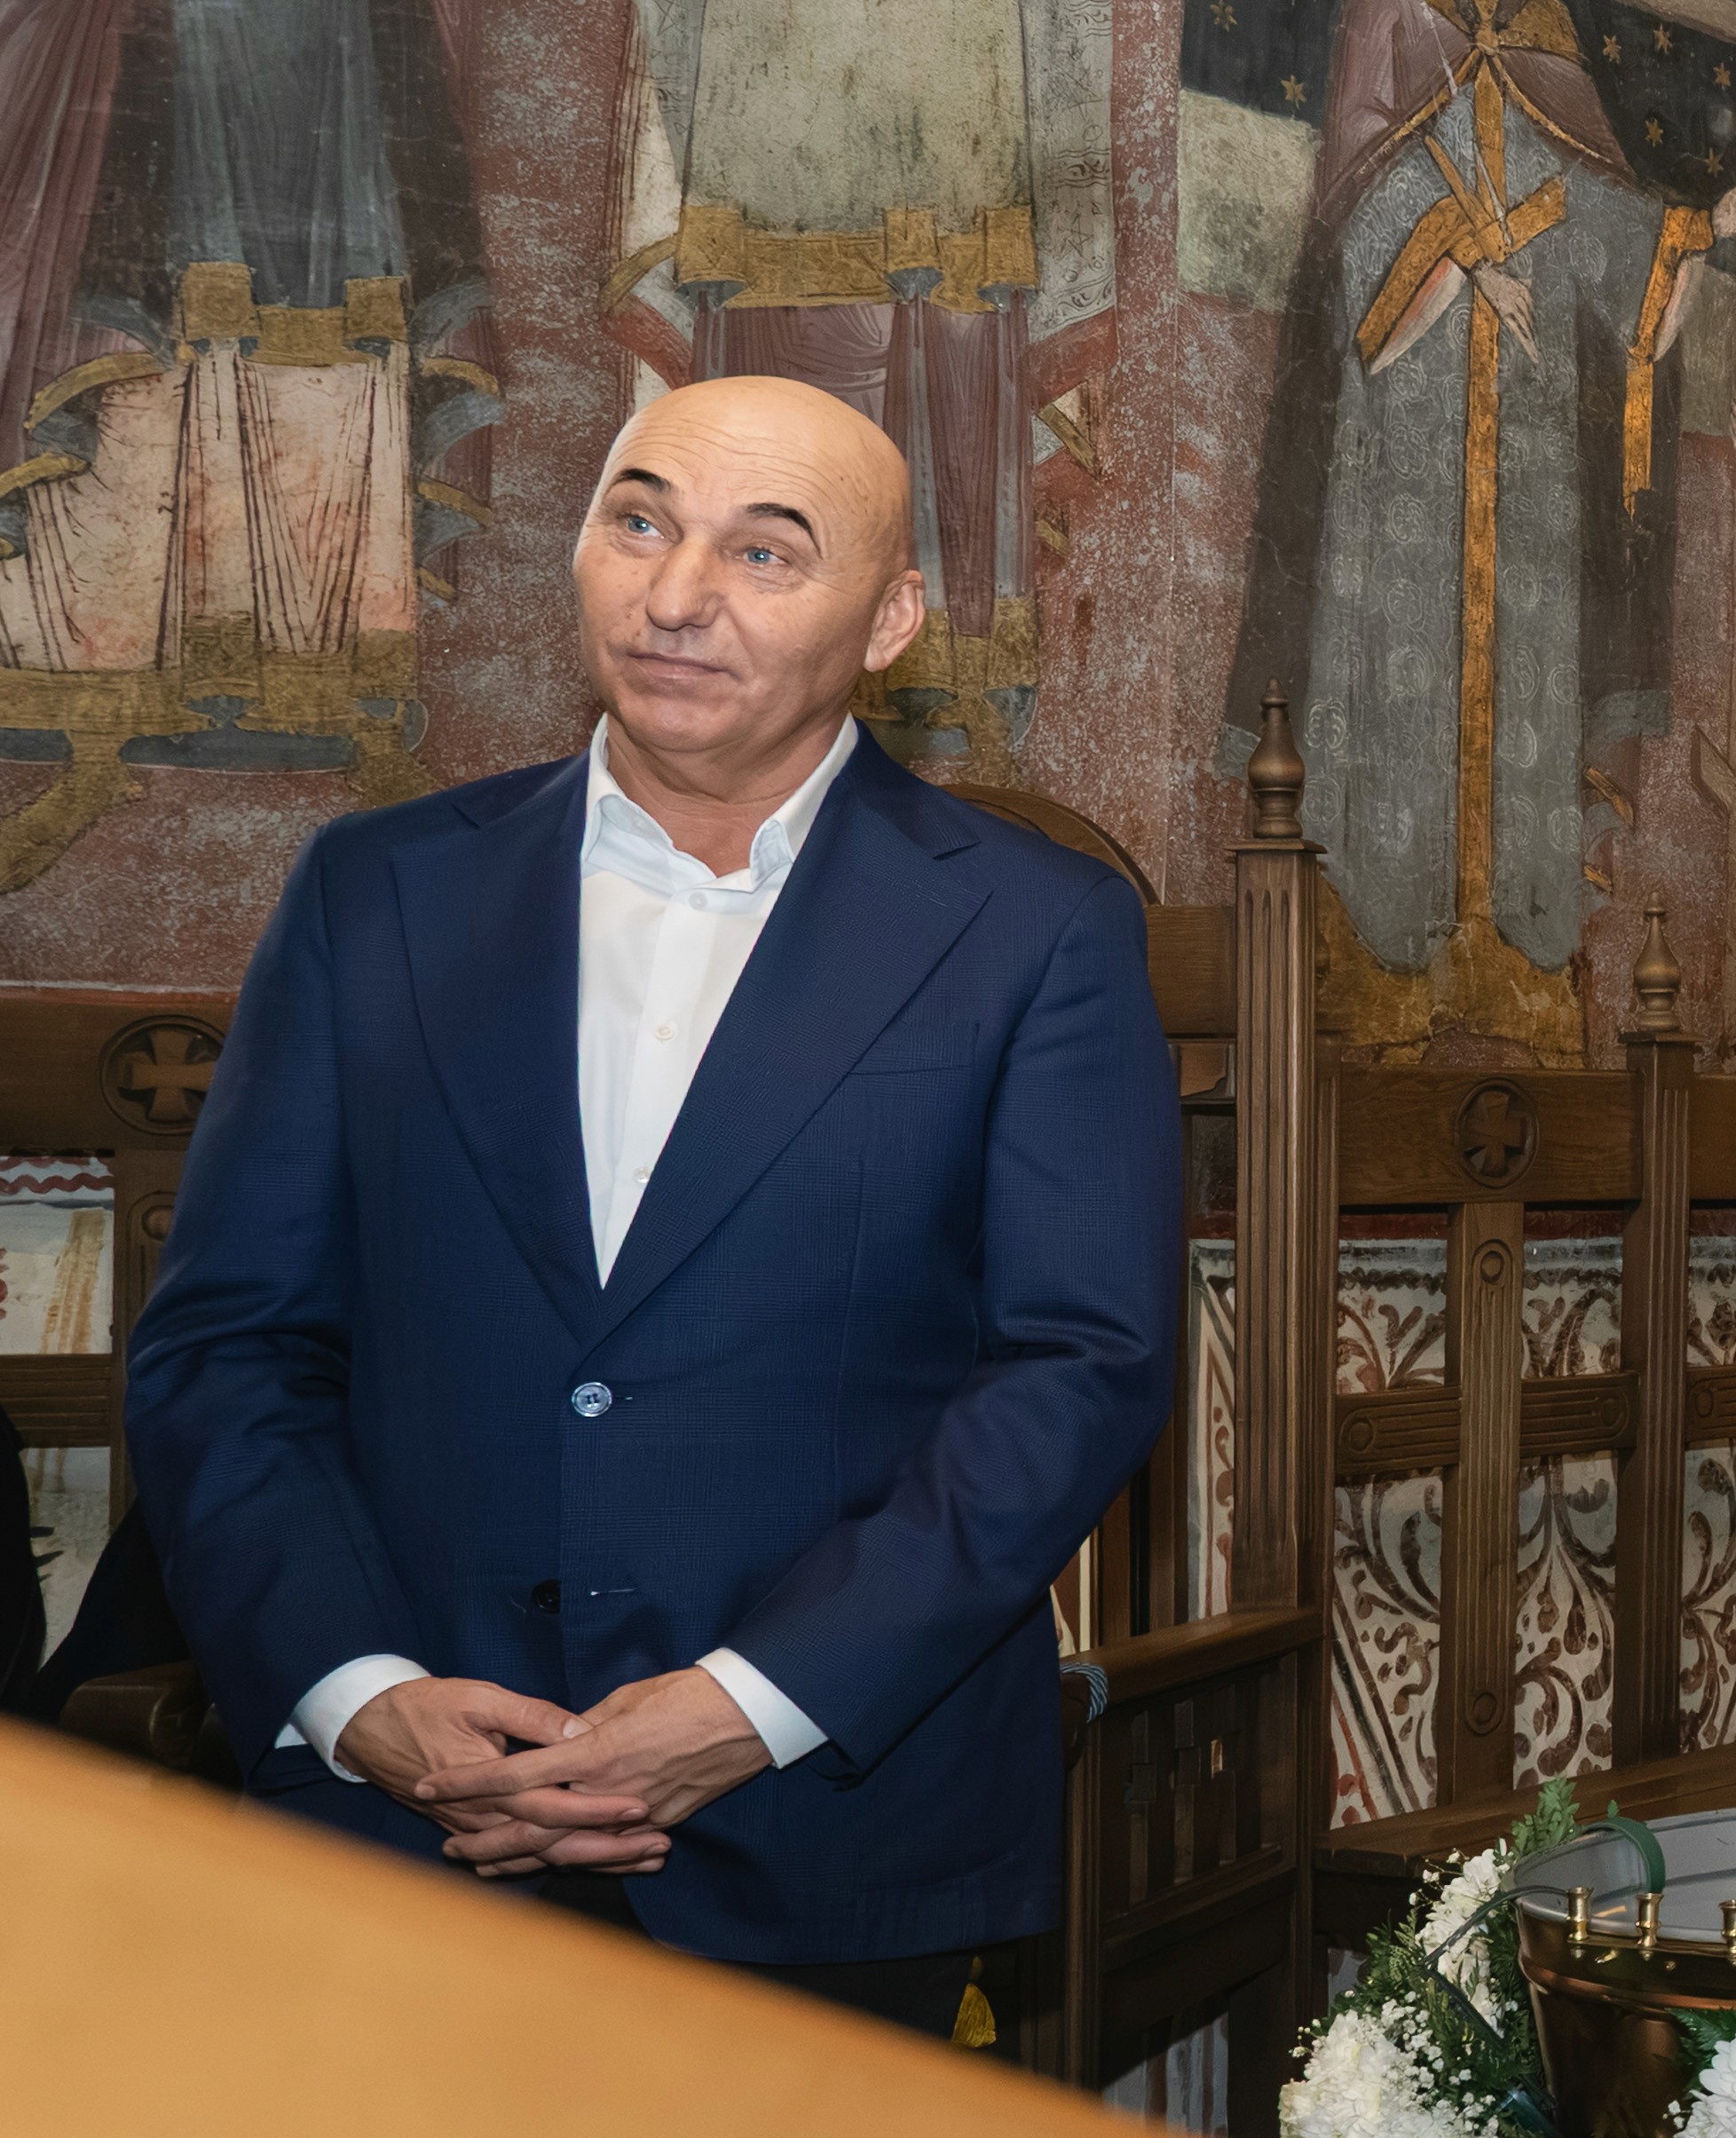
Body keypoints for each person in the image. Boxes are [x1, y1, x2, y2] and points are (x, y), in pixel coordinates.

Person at [122, 375, 1182, 2028]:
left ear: (891, 616)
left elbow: (1078, 1365)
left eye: (767, 554)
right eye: (639, 521)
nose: (675, 595)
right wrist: (362, 1692)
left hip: (822, 1832)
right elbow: (229, 1347)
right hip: (399, 1837)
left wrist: (751, 1703)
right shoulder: (377, 891)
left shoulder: (1035, 934)